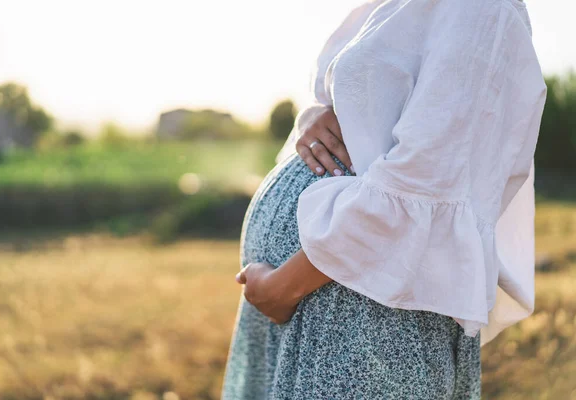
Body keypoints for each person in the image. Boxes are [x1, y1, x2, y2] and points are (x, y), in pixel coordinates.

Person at [221, 0, 547, 398]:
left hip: (361, 319)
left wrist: (283, 286)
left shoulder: (482, 8)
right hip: (321, 305)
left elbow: (430, 180)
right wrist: (317, 117)